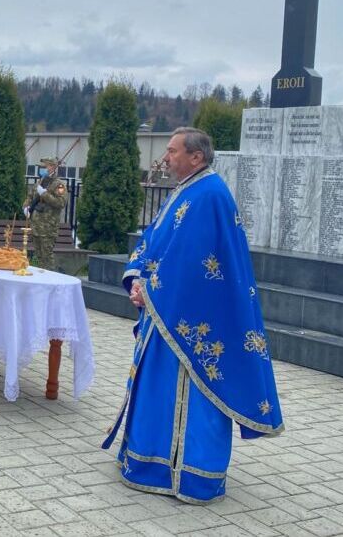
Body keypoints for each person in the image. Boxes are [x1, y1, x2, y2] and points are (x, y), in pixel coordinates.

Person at [102, 127, 283, 504]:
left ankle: (191, 476)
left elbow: (197, 264)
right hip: (165, 311)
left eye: (171, 151)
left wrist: (150, 289)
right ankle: (148, 462)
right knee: (156, 391)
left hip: (191, 317)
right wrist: (138, 278)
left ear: (195, 157)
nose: (165, 158)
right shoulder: (187, 191)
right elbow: (155, 239)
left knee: (190, 394)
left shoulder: (210, 195)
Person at [23, 157, 67, 272]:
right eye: (43, 166)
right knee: (39, 256)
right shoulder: (40, 181)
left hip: (48, 227)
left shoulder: (59, 185)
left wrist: (44, 194)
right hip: (36, 225)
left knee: (47, 256)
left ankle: (50, 278)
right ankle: (42, 277)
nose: (44, 168)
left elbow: (61, 203)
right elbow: (30, 196)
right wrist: (26, 207)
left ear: (53, 167)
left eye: (46, 166)